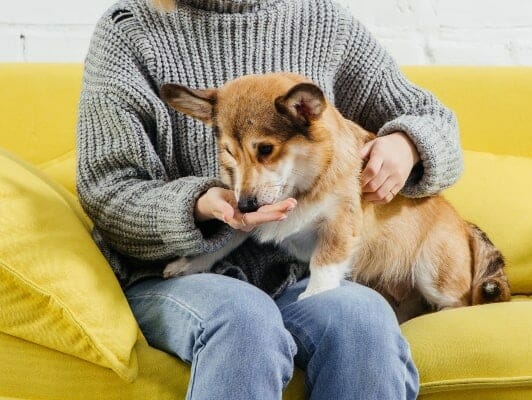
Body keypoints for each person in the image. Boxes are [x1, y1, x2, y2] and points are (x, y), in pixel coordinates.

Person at [76, 0, 462, 398]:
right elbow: (107, 189)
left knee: (362, 319)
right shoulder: (129, 31)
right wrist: (200, 205)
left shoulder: (321, 20)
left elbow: (435, 120)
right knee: (245, 320)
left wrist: (407, 144)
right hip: (178, 274)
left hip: (298, 274)